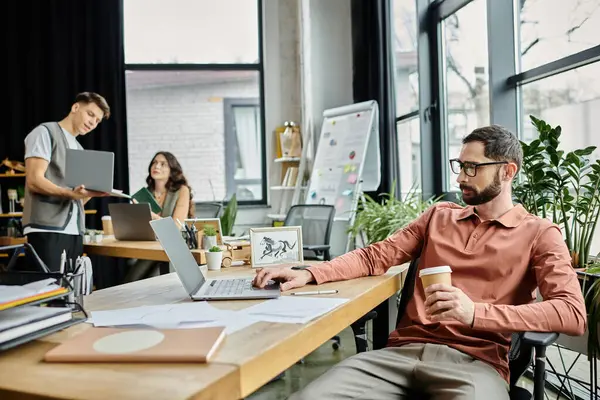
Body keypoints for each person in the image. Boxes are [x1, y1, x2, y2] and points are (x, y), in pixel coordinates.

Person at [253, 125, 587, 399]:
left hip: (475, 365)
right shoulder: (439, 217)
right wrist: (309, 272)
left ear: (508, 171)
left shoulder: (540, 234)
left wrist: (474, 313)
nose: (460, 178)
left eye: (473, 168)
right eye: (460, 166)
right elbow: (377, 255)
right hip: (399, 355)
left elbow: (572, 313)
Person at [22, 92, 110, 272]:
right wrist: (71, 193)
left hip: (74, 231)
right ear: (75, 107)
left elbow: (77, 199)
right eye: (90, 114)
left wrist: (91, 193)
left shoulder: (79, 149)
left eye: (97, 121)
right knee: (48, 292)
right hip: (46, 228)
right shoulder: (45, 132)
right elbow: (34, 180)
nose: (93, 122)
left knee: (70, 294)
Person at [125, 151, 193, 281]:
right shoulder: (145, 193)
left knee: (143, 280)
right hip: (150, 244)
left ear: (172, 170)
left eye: (163, 164)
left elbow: (176, 226)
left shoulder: (181, 190)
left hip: (172, 245)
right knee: (133, 279)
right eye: (154, 163)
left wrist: (151, 216)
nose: (157, 166)